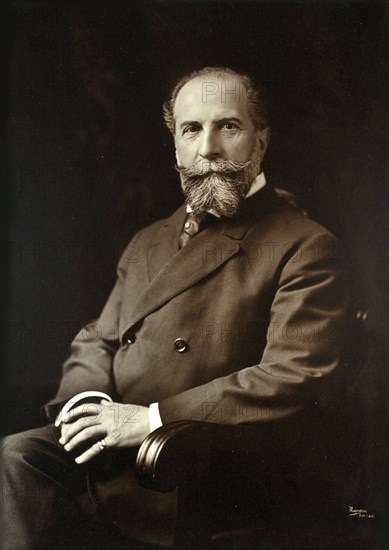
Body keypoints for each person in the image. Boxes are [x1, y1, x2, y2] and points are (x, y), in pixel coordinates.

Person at [2, 67, 348, 549]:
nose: (208, 148)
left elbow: (295, 373)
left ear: (261, 141)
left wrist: (151, 419)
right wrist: (89, 407)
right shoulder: (150, 240)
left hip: (200, 460)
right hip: (116, 445)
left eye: (228, 126)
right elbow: (98, 337)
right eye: (192, 129)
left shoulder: (304, 245)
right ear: (177, 147)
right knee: (19, 456)